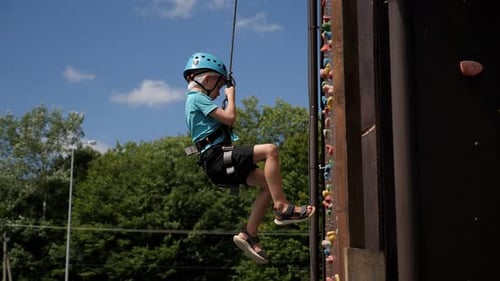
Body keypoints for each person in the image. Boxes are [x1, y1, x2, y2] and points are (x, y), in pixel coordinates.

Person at [183, 52, 315, 264]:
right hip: (217, 158)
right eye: (217, 87)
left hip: (217, 162)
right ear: (207, 80)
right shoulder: (197, 98)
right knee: (270, 150)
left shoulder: (196, 101)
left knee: (267, 185)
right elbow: (230, 117)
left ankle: (249, 233)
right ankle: (281, 207)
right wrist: (232, 97)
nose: (218, 93)